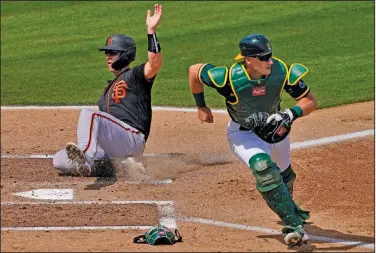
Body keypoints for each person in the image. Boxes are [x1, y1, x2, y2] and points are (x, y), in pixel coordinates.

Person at [188, 34, 317, 248]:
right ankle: (293, 226)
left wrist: (290, 114)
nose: (270, 61)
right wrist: (201, 106)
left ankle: (288, 207)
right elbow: (194, 70)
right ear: (248, 60)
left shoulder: (281, 72)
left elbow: (310, 101)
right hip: (243, 134)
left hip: (276, 132)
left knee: (284, 178)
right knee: (264, 168)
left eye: (270, 55)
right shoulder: (227, 79)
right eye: (264, 57)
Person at [53, 4, 163, 177]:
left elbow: (155, 63)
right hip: (115, 146)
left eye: (112, 52)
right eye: (107, 53)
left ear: (125, 55)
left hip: (132, 138)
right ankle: (119, 167)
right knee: (59, 159)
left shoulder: (134, 76)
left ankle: (87, 159)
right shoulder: (106, 91)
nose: (107, 56)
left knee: (90, 114)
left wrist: (151, 31)